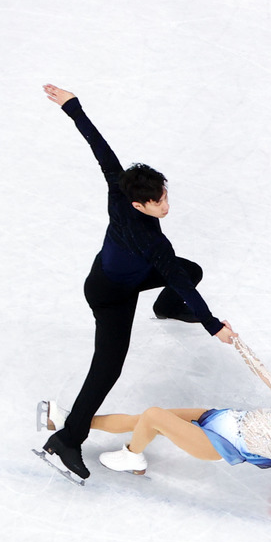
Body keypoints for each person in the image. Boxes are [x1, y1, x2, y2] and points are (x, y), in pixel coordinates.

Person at [39, 84, 236, 481]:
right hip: (109, 295)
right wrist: (214, 325)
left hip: (126, 272)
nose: (166, 205)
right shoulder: (152, 242)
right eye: (158, 202)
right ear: (138, 205)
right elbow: (180, 282)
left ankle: (165, 308)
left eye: (165, 195)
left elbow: (100, 149)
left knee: (191, 269)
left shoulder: (119, 185)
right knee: (107, 368)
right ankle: (67, 440)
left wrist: (73, 106)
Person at [50, 336, 271, 542]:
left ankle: (132, 455)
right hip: (217, 416)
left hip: (215, 444)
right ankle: (71, 421)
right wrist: (237, 343)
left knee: (153, 416)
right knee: (141, 420)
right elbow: (265, 374)